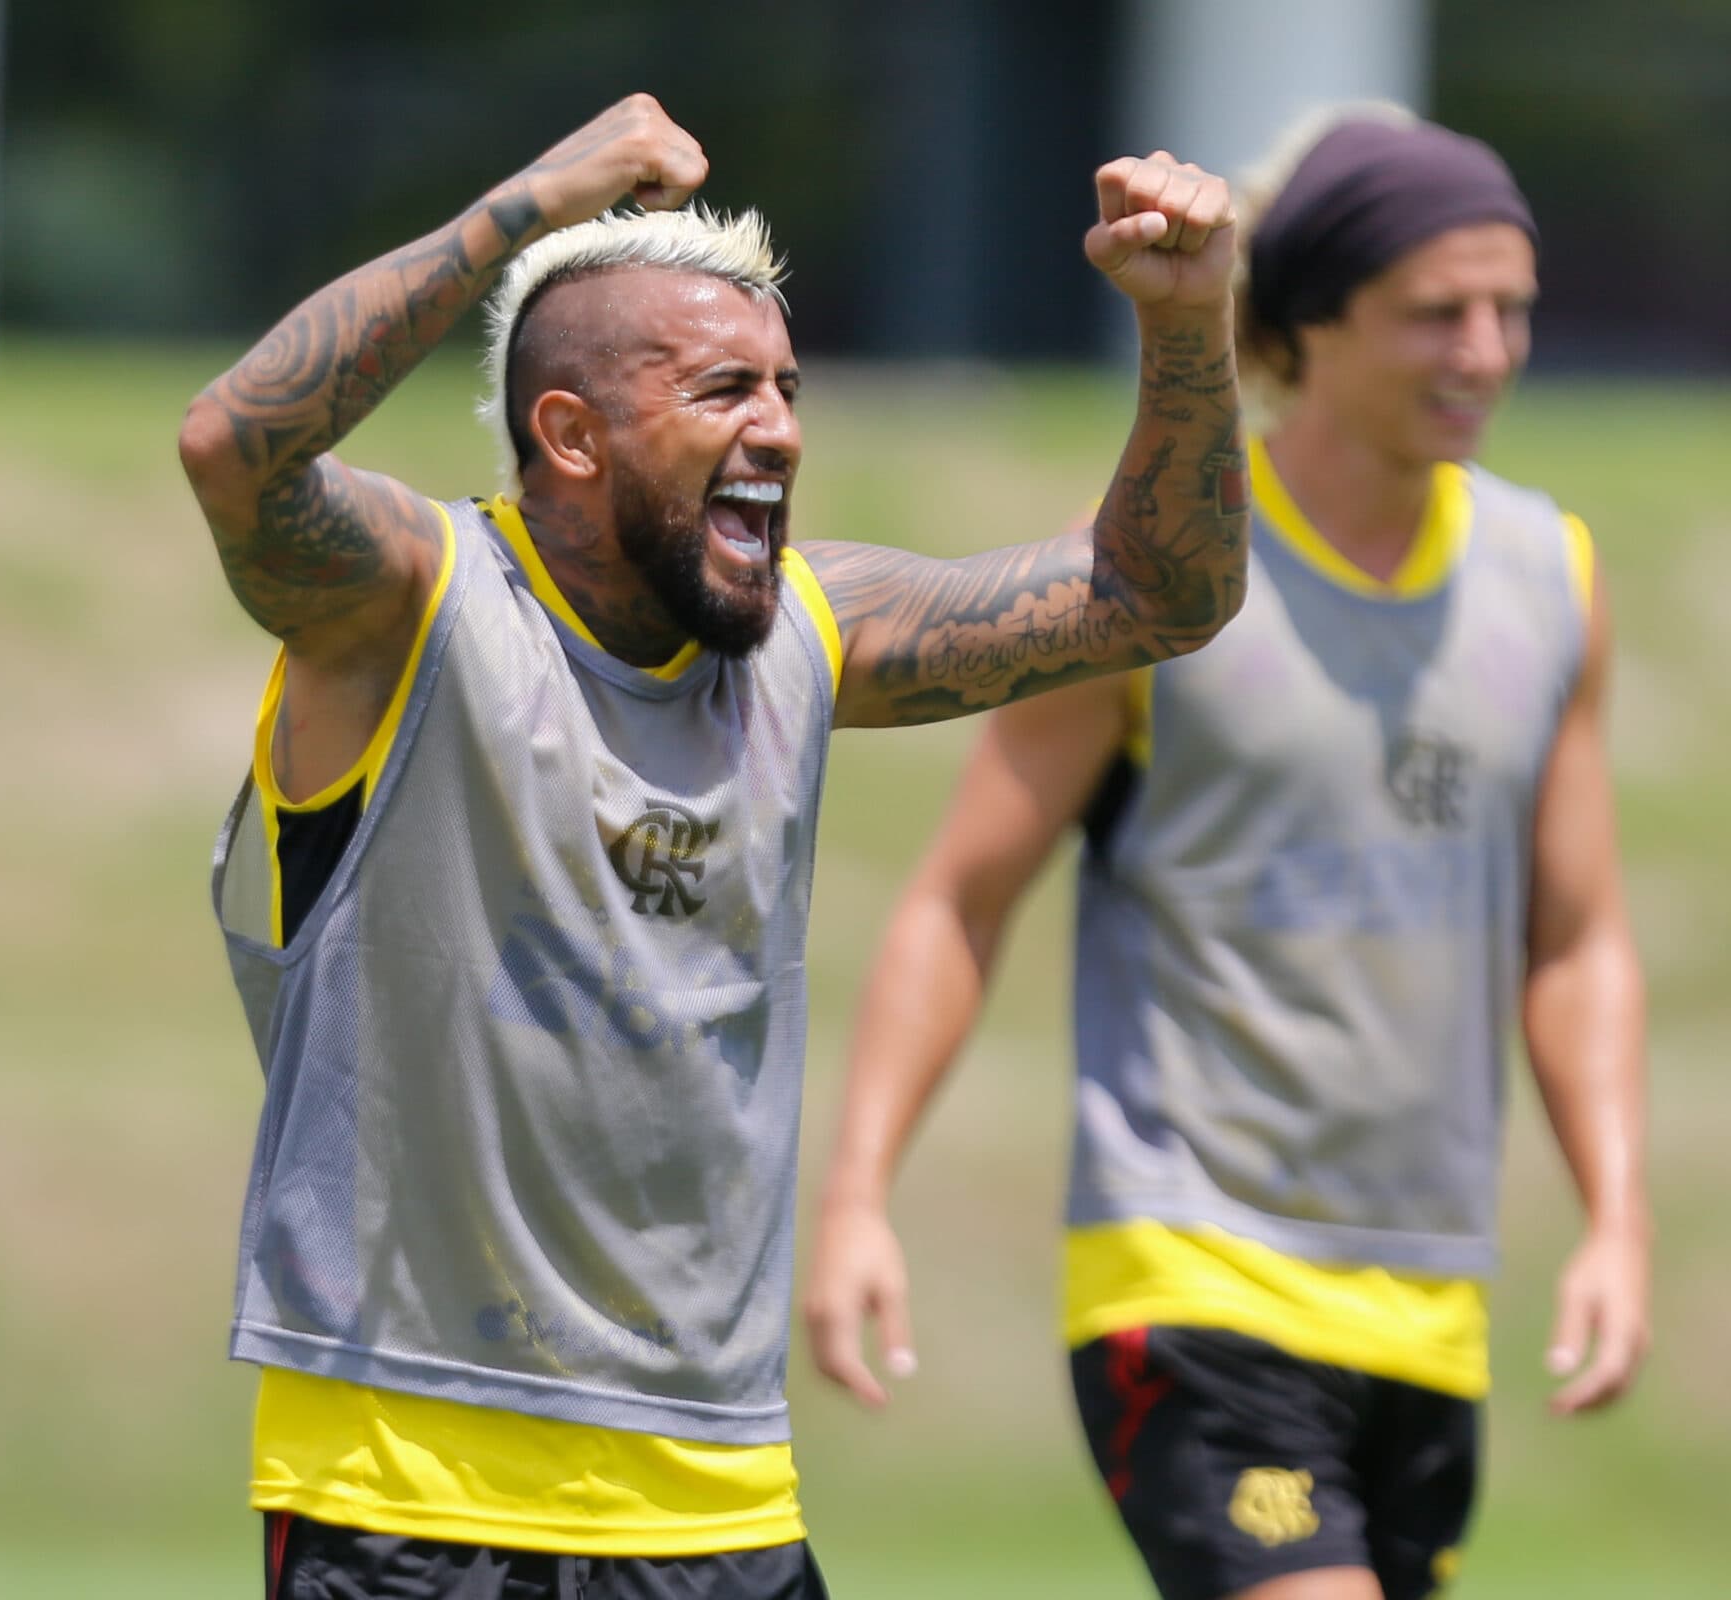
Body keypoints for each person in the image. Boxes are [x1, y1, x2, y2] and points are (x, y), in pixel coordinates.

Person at [174, 92, 1247, 1600]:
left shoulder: (810, 631)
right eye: (725, 389)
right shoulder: (408, 611)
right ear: (570, 433)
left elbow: (1160, 597)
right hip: (406, 1499)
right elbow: (235, 445)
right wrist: (536, 202)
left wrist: (1187, 325)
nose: (782, 431)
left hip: (719, 1508)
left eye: (788, 389)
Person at [805, 105, 1649, 1600]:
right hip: (1191, 1274)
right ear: (1305, 326)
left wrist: (1615, 1217)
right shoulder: (1151, 579)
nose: (1488, 351)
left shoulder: (1552, 578)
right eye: (1437, 314)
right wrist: (860, 1189)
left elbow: (1576, 940)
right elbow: (961, 898)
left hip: (1429, 1307)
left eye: (1511, 309)